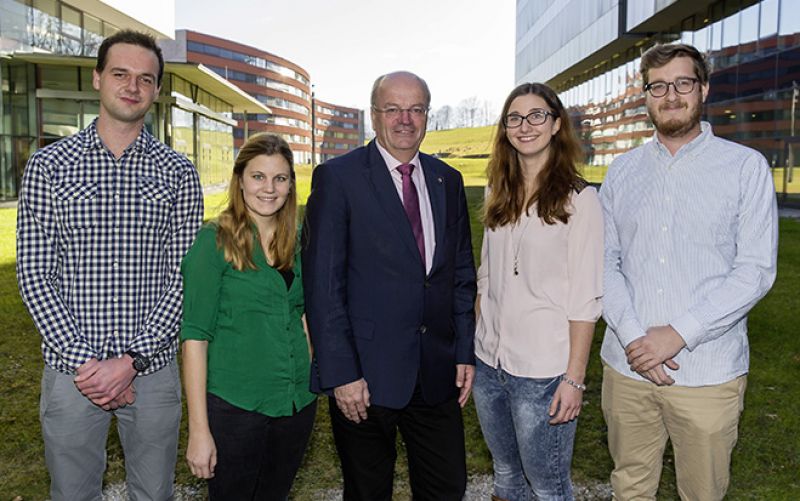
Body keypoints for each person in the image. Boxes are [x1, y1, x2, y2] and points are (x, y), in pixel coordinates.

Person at [15, 30, 203, 500]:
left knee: (153, 493)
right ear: (98, 78)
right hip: (70, 372)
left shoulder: (179, 173)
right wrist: (87, 364)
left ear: (156, 91)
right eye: (120, 73)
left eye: (145, 78)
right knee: (72, 493)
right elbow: (35, 274)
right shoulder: (48, 166)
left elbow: (183, 278)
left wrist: (131, 360)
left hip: (153, 370)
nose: (132, 86)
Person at [600, 43, 778, 500]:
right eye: (658, 86)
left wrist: (676, 334)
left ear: (703, 89)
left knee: (702, 494)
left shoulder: (744, 168)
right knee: (629, 488)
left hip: (707, 373)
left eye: (682, 83)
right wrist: (638, 340)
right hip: (626, 368)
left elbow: (755, 271)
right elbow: (603, 262)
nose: (670, 95)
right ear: (646, 96)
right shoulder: (621, 172)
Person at [302, 71, 477, 501]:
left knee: (447, 487)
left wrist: (463, 352)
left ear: (427, 117)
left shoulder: (447, 180)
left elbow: (459, 276)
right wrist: (341, 373)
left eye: (416, 109)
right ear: (374, 116)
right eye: (393, 109)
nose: (405, 119)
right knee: (367, 491)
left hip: (435, 373)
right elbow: (324, 288)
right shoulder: (338, 178)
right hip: (366, 375)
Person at [473, 82, 603, 501]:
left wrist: (574, 379)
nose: (524, 125)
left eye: (536, 116)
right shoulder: (498, 192)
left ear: (555, 124)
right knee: (506, 475)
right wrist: (475, 347)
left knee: (548, 486)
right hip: (490, 365)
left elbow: (586, 297)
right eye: (514, 117)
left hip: (543, 373)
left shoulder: (581, 201)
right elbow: (487, 277)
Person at [180, 133, 316, 500]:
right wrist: (199, 430)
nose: (269, 188)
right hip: (236, 408)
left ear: (290, 184)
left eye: (280, 178)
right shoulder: (214, 242)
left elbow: (303, 315)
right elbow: (194, 337)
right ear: (240, 180)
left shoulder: (299, 241)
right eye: (258, 176)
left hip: (296, 404)